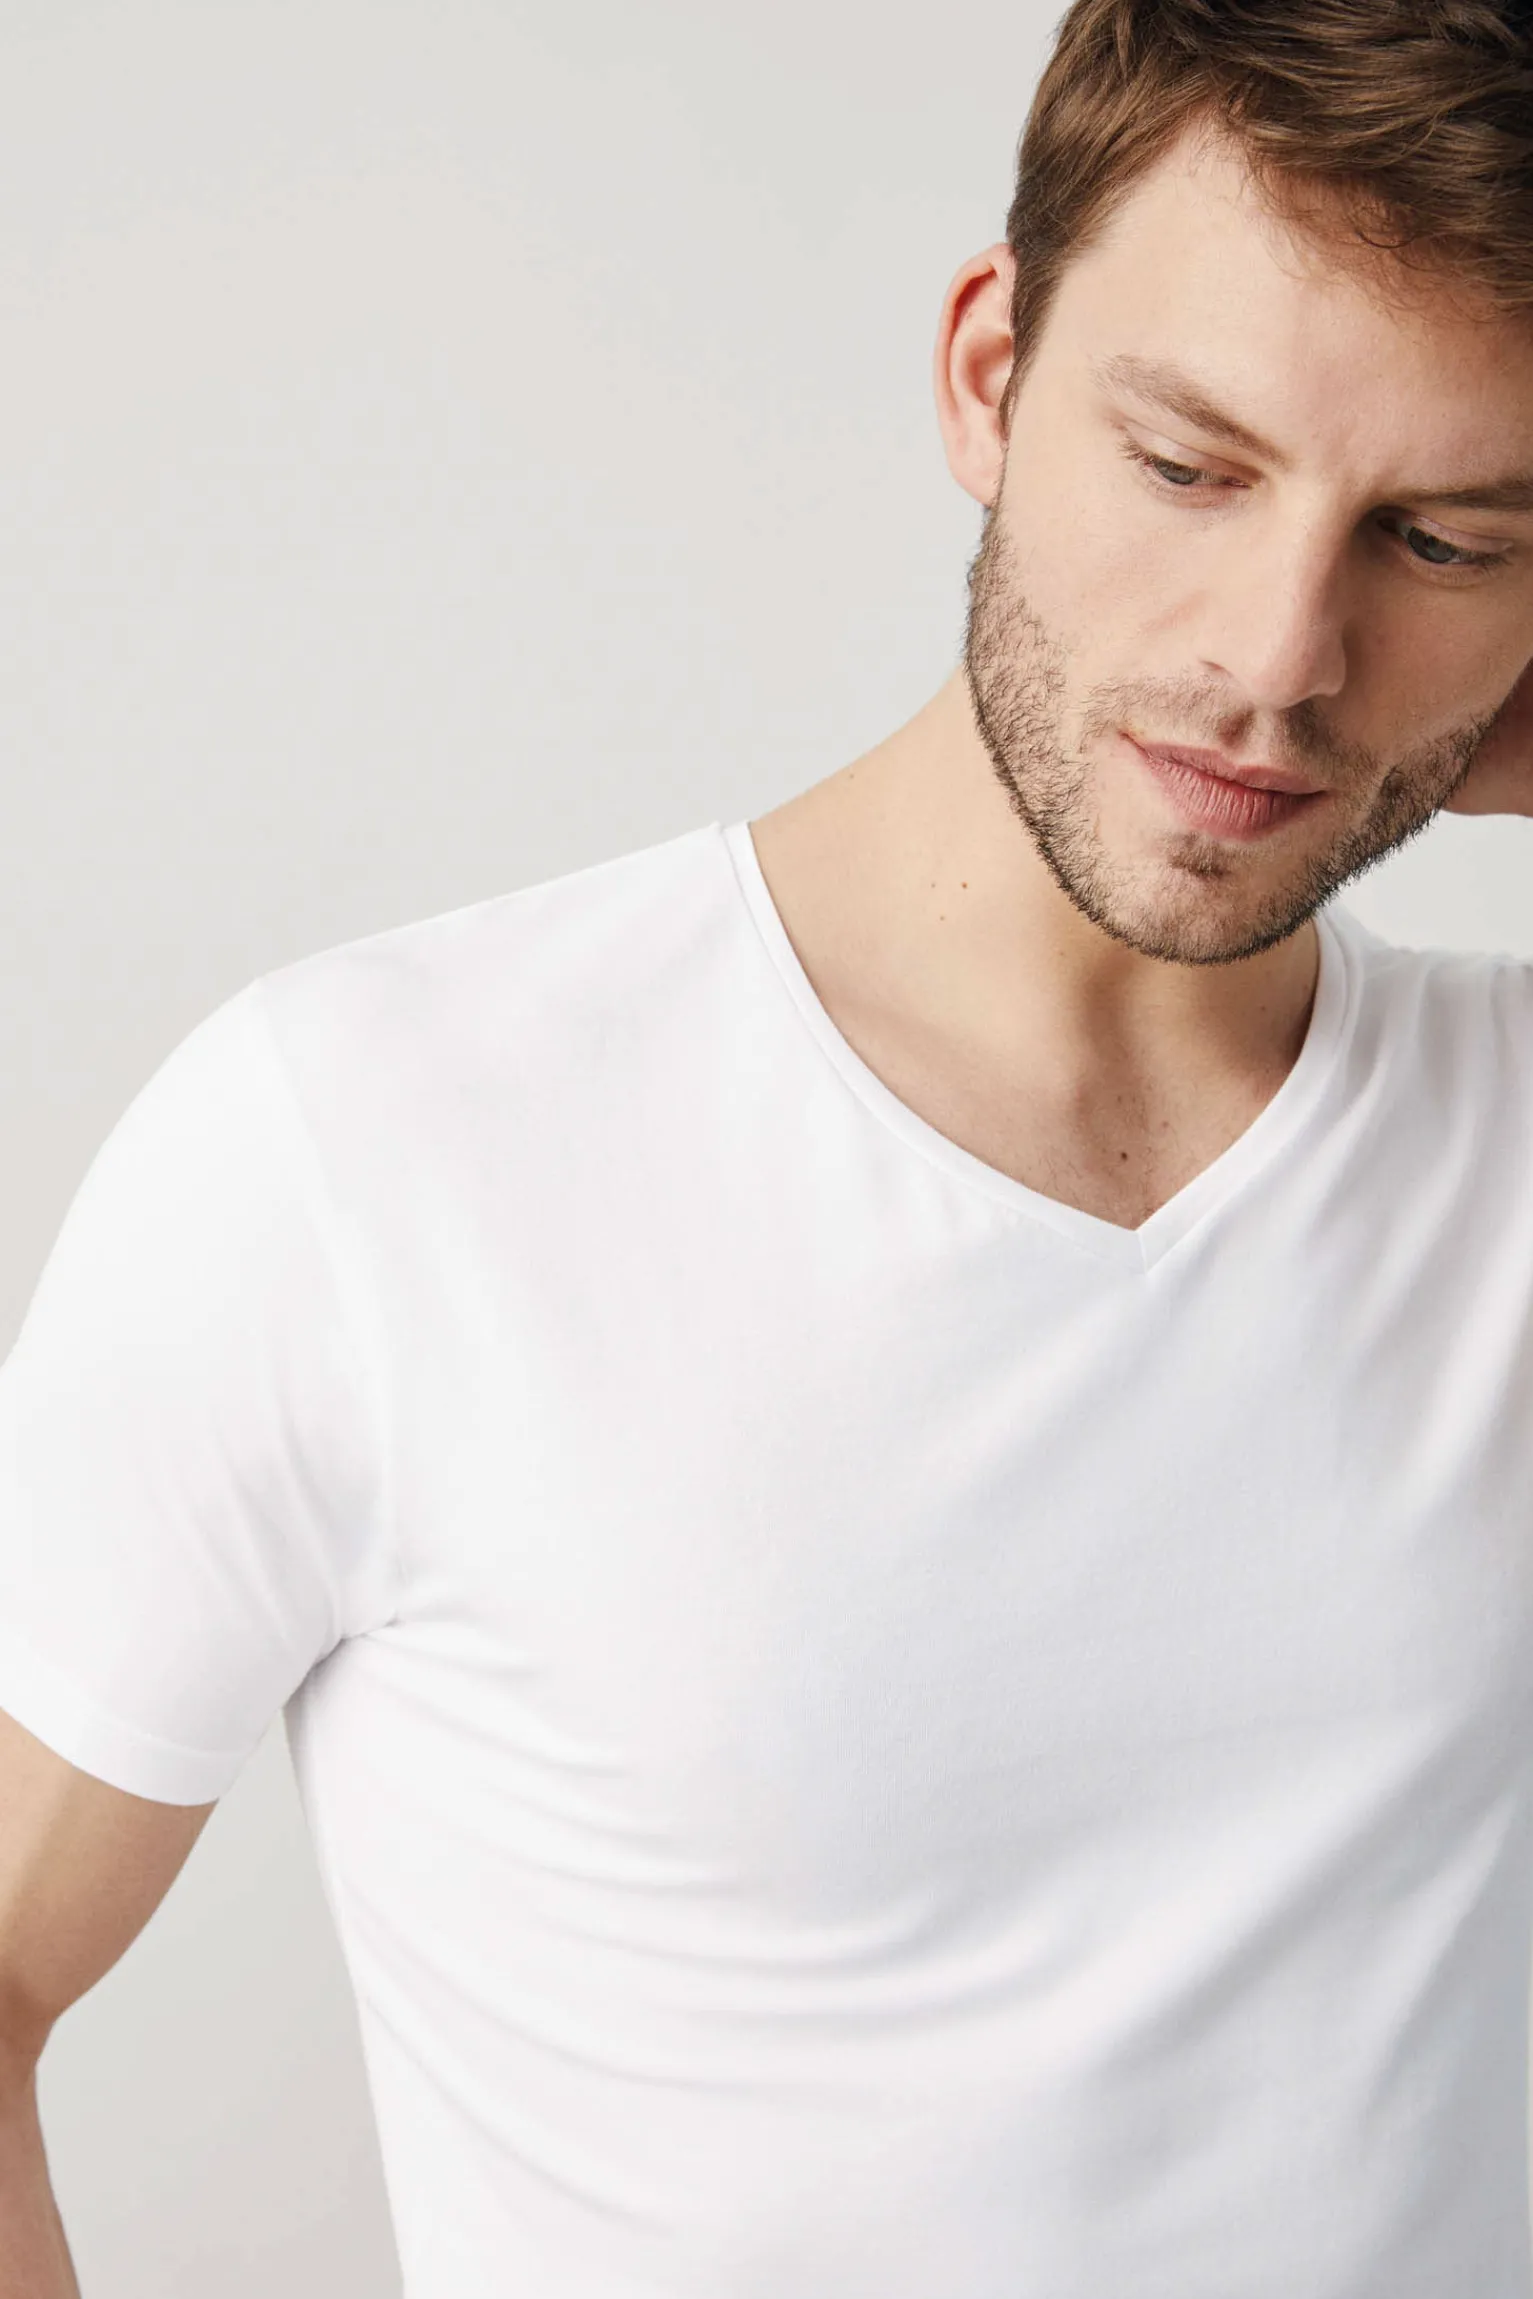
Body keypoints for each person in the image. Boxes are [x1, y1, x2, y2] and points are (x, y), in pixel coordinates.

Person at [5, 0, 1533, 2291]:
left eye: (1434, 537)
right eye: (1187, 467)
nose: (1278, 656)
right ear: (989, 375)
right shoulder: (374, 1144)